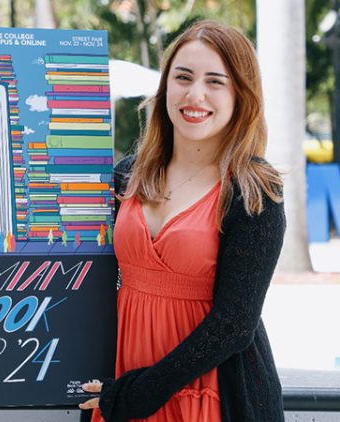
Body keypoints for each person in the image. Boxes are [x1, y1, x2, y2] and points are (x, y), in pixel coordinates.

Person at [79, 20, 286, 422]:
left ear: (241, 95)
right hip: (123, 382)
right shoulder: (128, 175)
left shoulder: (253, 189)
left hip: (205, 391)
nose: (196, 94)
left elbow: (234, 324)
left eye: (215, 82)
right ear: (166, 86)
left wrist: (144, 392)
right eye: (184, 77)